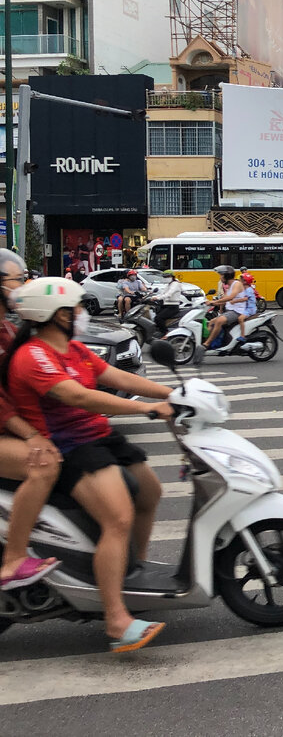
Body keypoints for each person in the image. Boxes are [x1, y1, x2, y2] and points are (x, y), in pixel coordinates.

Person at [4, 277, 174, 652]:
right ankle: (115, 619)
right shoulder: (33, 356)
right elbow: (80, 397)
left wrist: (176, 393)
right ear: (53, 315)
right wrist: (149, 409)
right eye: (75, 308)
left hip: (97, 436)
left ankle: (133, 576)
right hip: (70, 446)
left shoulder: (74, 348)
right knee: (118, 518)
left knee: (149, 491)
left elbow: (113, 376)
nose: (81, 313)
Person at [0, 251, 63, 592]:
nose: (22, 287)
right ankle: (13, 557)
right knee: (44, 464)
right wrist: (33, 436)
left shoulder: (9, 328)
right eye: (16, 281)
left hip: (11, 427)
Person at [198, 265, 245, 358]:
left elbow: (230, 297)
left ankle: (207, 344)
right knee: (211, 322)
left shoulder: (237, 284)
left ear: (226, 276)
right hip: (230, 310)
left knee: (219, 321)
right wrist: (210, 302)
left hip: (237, 311)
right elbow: (224, 298)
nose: (220, 277)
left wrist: (215, 302)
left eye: (221, 275)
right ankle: (211, 343)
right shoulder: (230, 286)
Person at [151, 270, 184, 335]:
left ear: (172, 277)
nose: (166, 278)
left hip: (173, 306)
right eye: (165, 277)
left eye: (168, 276)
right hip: (166, 305)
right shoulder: (169, 285)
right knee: (154, 317)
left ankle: (165, 333)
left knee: (159, 318)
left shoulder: (175, 284)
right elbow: (162, 293)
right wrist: (153, 297)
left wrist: (157, 298)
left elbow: (169, 294)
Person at [235, 273, 258, 341]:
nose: (239, 280)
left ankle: (243, 336)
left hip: (250, 309)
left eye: (241, 279)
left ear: (245, 281)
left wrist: (234, 301)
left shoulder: (249, 290)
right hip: (245, 308)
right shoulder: (244, 289)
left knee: (240, 319)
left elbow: (245, 299)